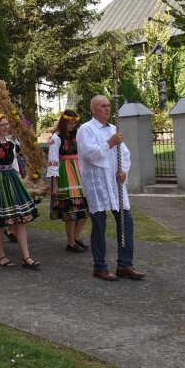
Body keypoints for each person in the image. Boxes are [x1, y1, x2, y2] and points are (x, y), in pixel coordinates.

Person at [77, 95, 145, 282]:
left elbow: (125, 154)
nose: (107, 109)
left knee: (126, 222)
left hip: (116, 184)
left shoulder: (114, 129)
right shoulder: (86, 130)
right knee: (99, 225)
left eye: (108, 105)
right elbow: (90, 155)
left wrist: (124, 171)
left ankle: (124, 264)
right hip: (98, 184)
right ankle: (100, 267)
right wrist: (110, 142)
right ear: (93, 109)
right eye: (103, 106)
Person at [0, 115, 41, 269]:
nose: (6, 127)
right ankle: (0, 255)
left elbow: (14, 164)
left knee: (21, 219)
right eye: (2, 125)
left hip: (12, 181)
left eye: (7, 124)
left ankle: (26, 257)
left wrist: (20, 184)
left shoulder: (11, 143)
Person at [47, 110, 89, 253]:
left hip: (79, 172)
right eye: (69, 123)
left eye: (74, 123)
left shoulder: (78, 135)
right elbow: (52, 161)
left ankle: (76, 237)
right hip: (65, 173)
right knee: (71, 209)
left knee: (87, 207)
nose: (72, 126)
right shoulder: (56, 137)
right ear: (64, 122)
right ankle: (70, 242)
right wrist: (55, 183)